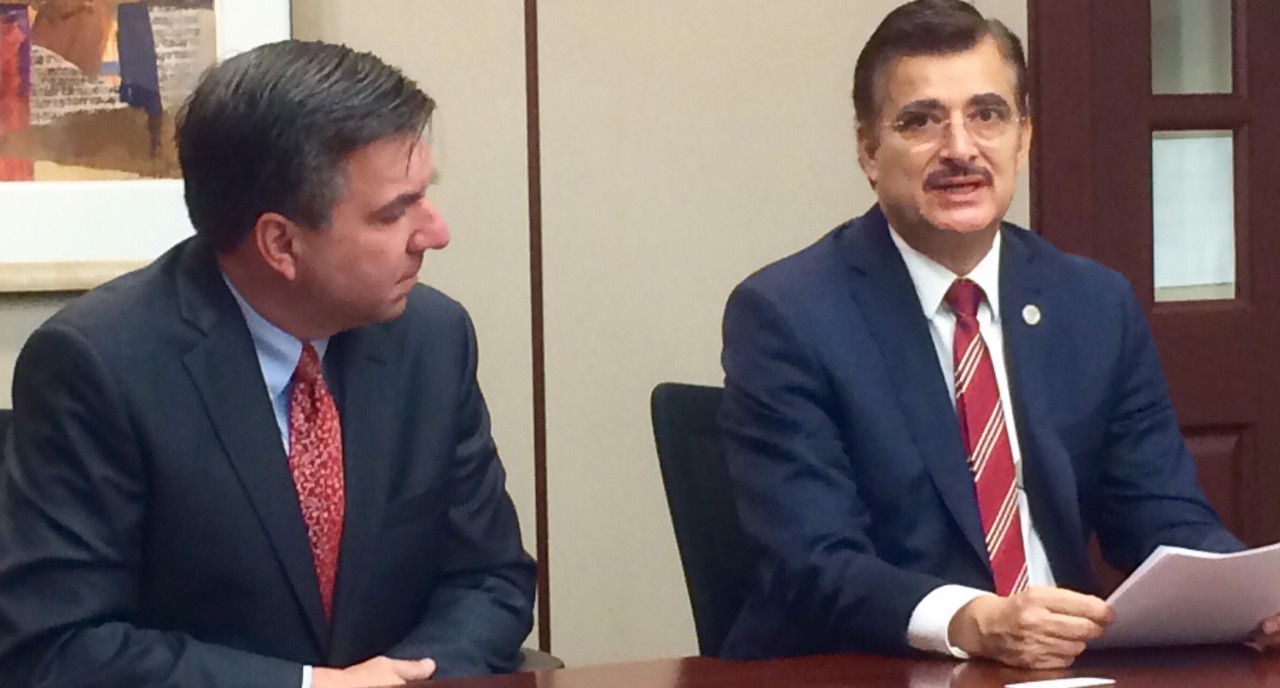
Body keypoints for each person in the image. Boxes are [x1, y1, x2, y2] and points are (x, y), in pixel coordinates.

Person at [717, 0, 1280, 670]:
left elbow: (1162, 516)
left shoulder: (1093, 304)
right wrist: (973, 619)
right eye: (921, 121)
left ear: (1024, 138)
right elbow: (814, 562)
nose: (960, 149)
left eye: (987, 114)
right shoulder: (787, 314)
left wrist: (1246, 598)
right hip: (868, 668)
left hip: (1062, 672)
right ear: (869, 150)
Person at [0, 40, 535, 688]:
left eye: (424, 197)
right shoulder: (98, 368)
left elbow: (489, 578)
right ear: (280, 243)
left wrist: (405, 678)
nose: (435, 232)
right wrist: (309, 687)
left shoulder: (433, 338)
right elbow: (59, 647)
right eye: (395, 212)